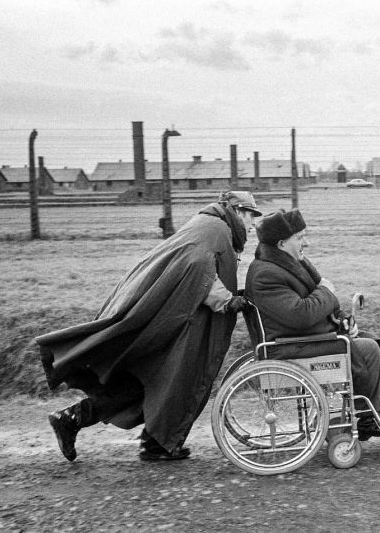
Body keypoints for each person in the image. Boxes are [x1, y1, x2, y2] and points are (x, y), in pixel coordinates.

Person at [36, 190, 263, 461]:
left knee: (153, 383)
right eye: (250, 215)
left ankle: (79, 421)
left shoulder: (209, 225)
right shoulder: (216, 229)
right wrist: (227, 301)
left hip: (175, 317)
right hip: (179, 324)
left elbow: (198, 270)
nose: (252, 223)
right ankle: (149, 441)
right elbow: (198, 269)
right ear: (236, 211)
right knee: (167, 381)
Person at [244, 209, 380, 441]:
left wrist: (343, 319)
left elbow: (318, 303)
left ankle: (370, 413)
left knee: (370, 339)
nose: (307, 243)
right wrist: (326, 290)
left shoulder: (287, 264)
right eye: (300, 238)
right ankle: (367, 418)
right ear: (282, 243)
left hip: (300, 338)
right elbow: (300, 314)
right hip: (286, 347)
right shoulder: (266, 275)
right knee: (368, 349)